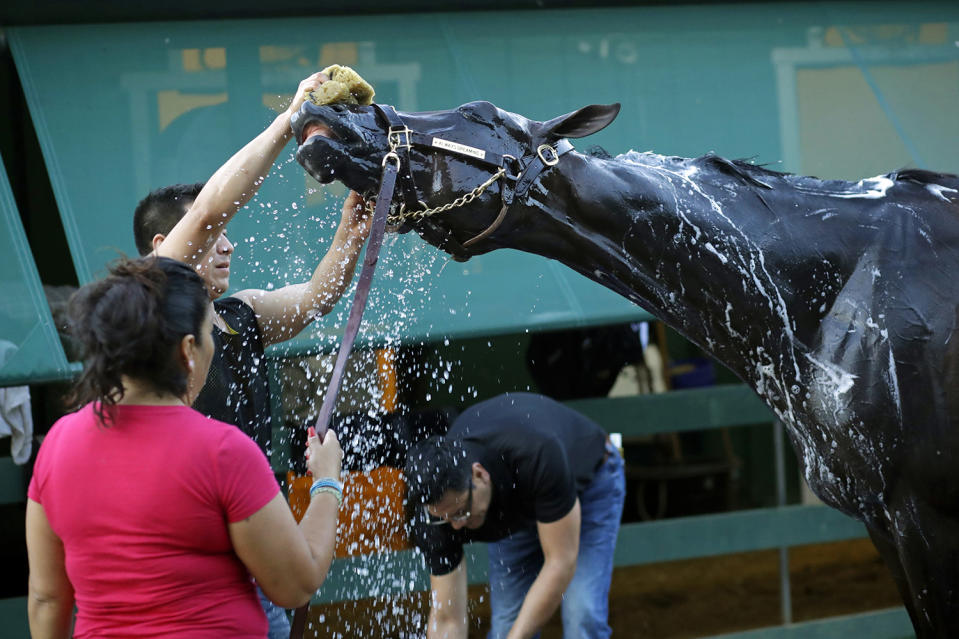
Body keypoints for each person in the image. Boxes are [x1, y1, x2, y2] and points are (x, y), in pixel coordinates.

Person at [133, 71, 370, 635]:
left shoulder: (239, 314)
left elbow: (316, 299)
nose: (228, 244)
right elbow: (214, 208)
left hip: (255, 545)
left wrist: (349, 234)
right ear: (163, 250)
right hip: (191, 550)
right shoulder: (149, 307)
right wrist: (291, 120)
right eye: (212, 237)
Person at [25, 256, 344, 638]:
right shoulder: (224, 452)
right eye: (209, 332)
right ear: (188, 349)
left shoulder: (58, 443)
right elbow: (296, 584)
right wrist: (327, 483)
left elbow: (46, 599)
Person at [404, 392, 626, 639]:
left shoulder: (537, 452)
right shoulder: (434, 512)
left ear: (479, 475)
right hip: (514, 508)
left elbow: (560, 562)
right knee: (505, 629)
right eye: (446, 518)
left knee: (582, 615)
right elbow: (447, 619)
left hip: (587, 485)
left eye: (461, 512)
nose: (457, 526)